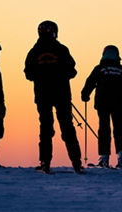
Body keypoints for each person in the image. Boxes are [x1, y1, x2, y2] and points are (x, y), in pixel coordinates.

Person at [24, 20, 82, 173]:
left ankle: (45, 162)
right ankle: (76, 162)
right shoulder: (62, 49)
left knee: (45, 128)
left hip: (43, 96)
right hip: (62, 94)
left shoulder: (34, 52)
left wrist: (41, 76)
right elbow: (72, 71)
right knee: (67, 127)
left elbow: (28, 74)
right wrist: (60, 76)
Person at [81, 45, 122, 168]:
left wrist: (85, 94)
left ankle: (104, 158)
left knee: (104, 129)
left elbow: (90, 81)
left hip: (103, 103)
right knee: (119, 129)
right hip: (119, 103)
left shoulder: (99, 68)